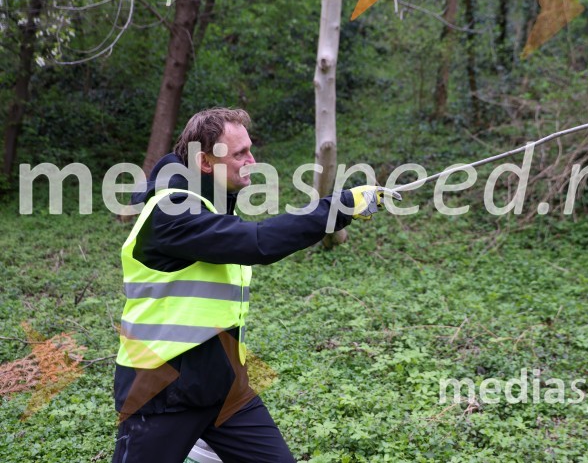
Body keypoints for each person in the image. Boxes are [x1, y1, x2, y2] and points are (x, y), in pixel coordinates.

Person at [111, 108, 397, 463]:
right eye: (240, 154)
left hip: (225, 390)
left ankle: (202, 442)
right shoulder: (172, 213)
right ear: (204, 162)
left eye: (250, 149)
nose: (252, 160)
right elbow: (259, 243)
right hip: (161, 394)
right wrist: (339, 206)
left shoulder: (211, 209)